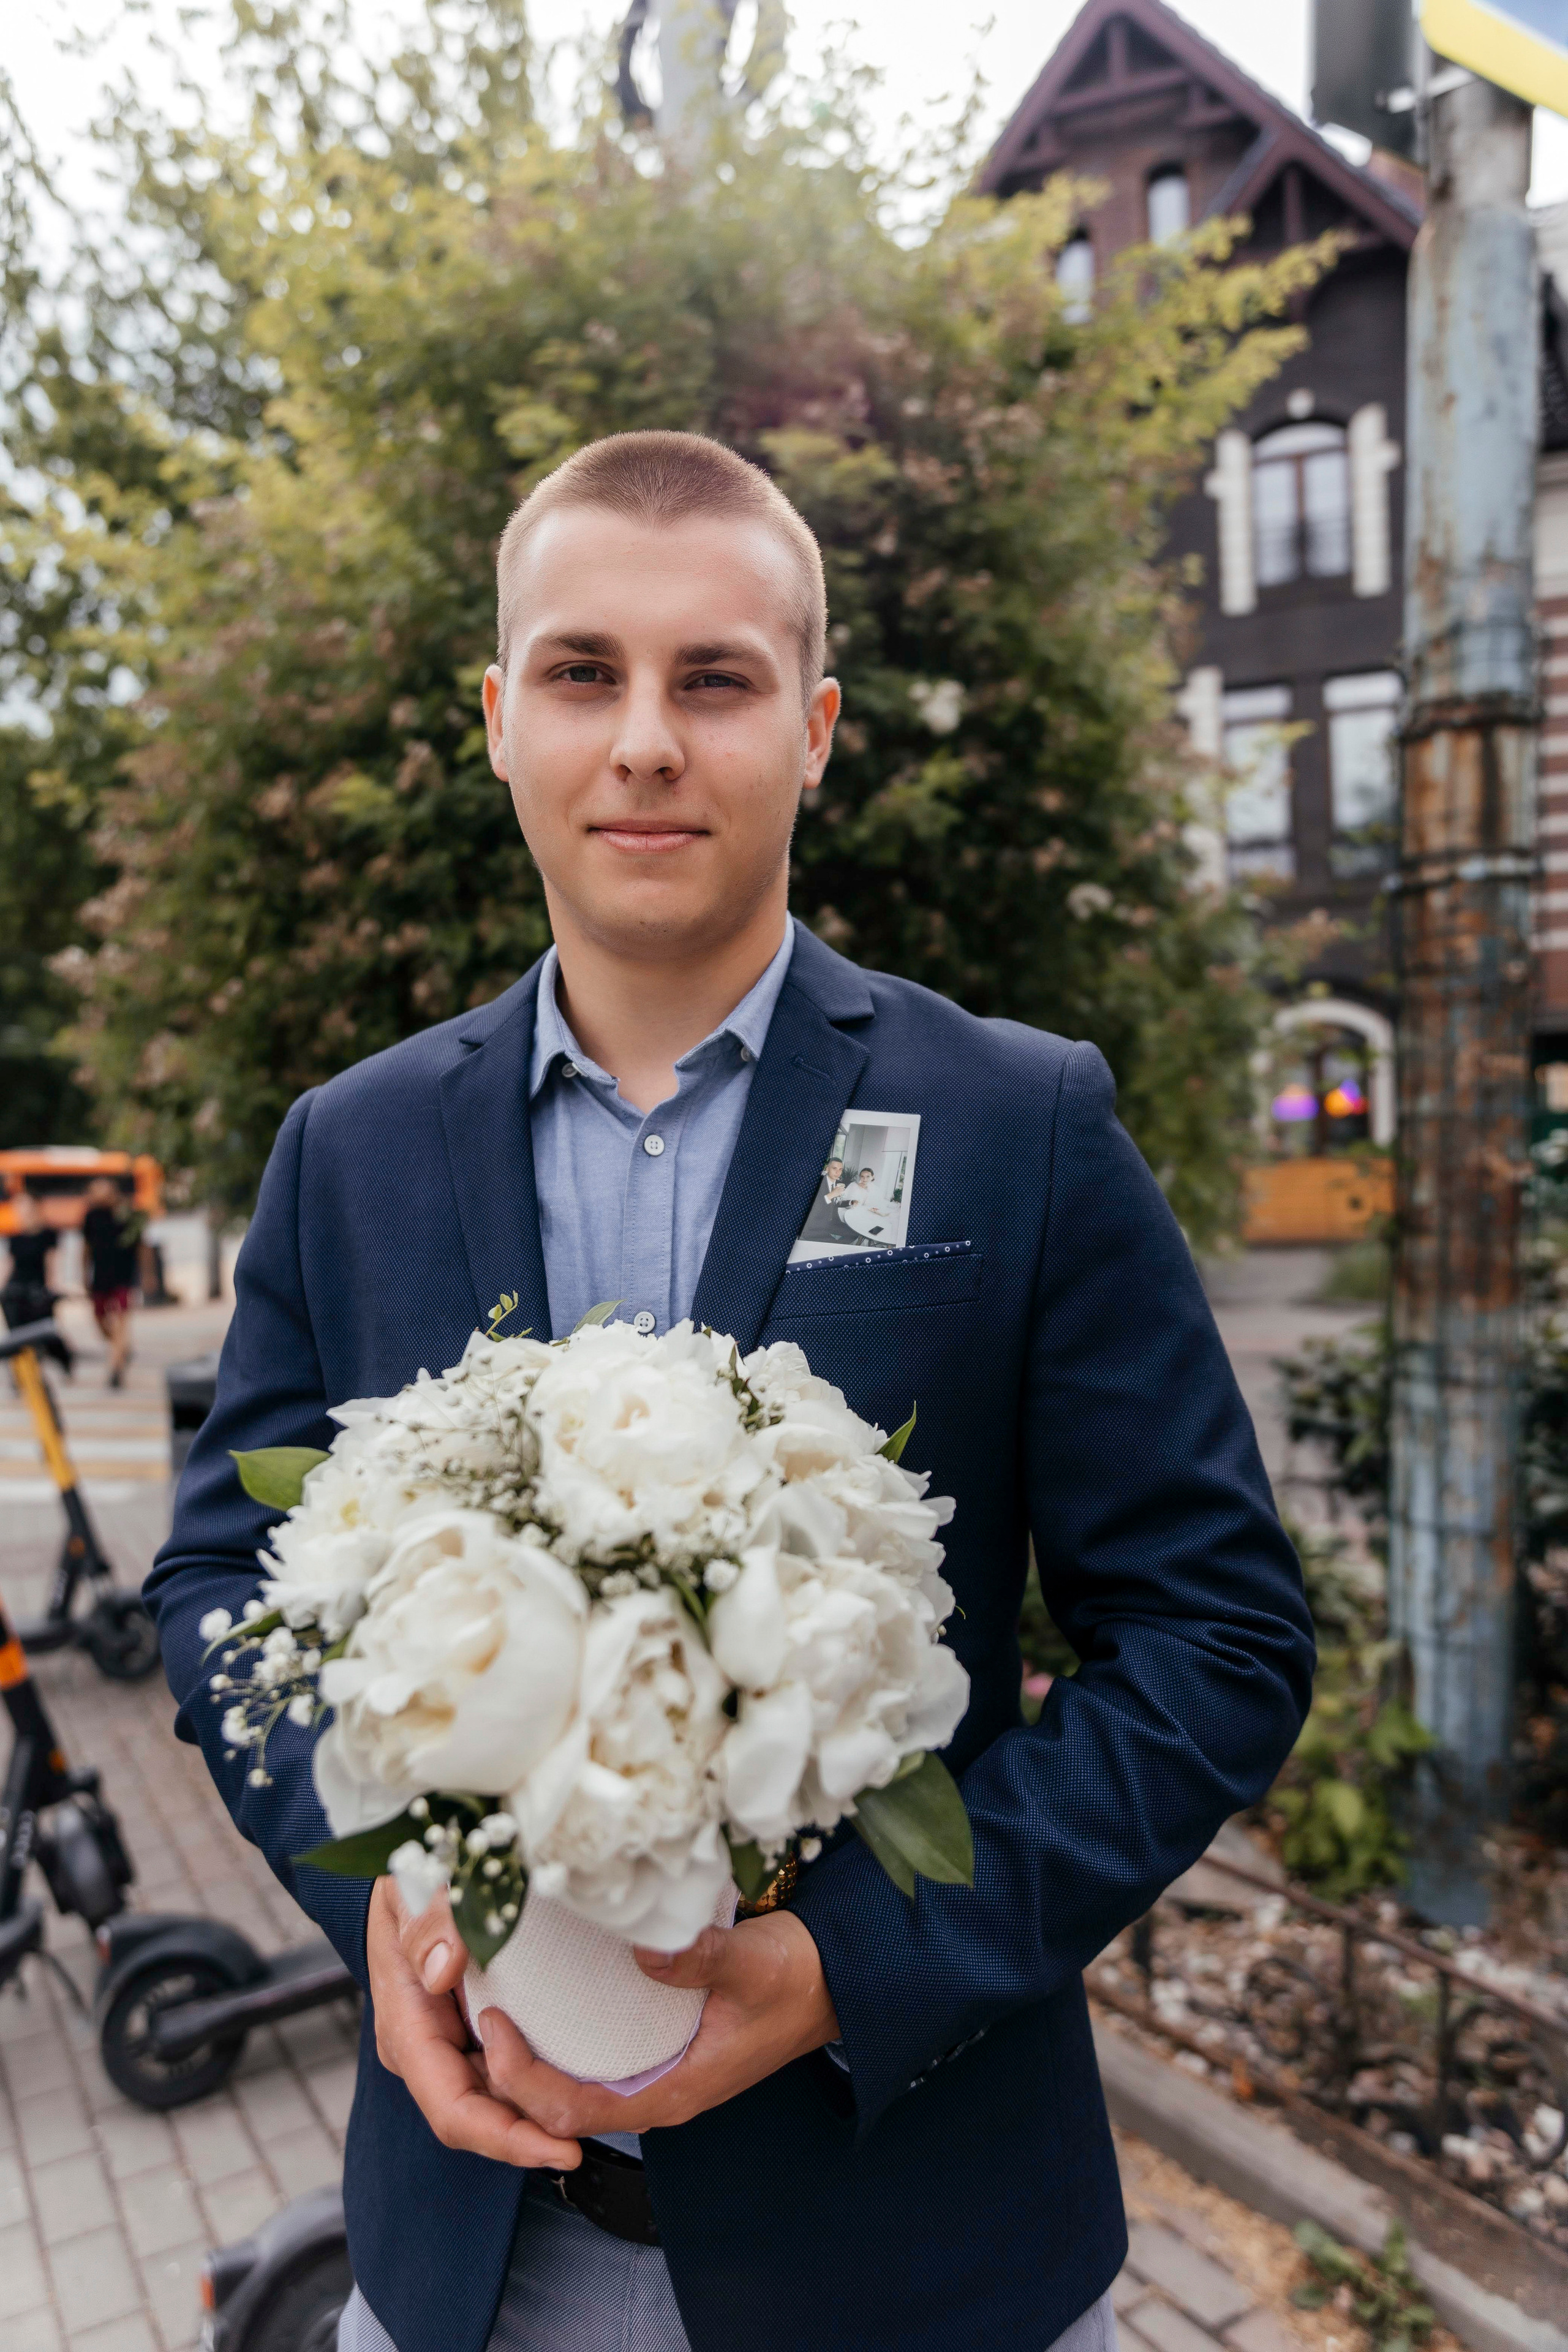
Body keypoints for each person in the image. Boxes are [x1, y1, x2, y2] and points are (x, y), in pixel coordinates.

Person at [146, 431, 1313, 2352]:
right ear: (499, 716)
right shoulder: (345, 1150)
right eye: (586, 672)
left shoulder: (1017, 1125)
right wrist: (368, 1885)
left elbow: (1214, 1637)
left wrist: (854, 1963)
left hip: (920, 2257)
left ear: (815, 722)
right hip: (464, 2264)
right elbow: (216, 1587)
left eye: (715, 678)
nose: (647, 741)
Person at [81, 1177, 138, 1387]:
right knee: (99, 1318)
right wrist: (84, 1274)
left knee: (122, 1320)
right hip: (101, 1277)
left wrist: (148, 1275)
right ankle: (121, 1347)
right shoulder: (91, 1217)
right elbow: (86, 1248)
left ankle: (115, 1368)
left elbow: (140, 1246)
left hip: (123, 1275)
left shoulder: (127, 1214)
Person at [2, 1193, 57, 1331]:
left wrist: (51, 1288)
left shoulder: (47, 1234)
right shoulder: (16, 1237)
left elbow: (51, 1262)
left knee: (42, 1329)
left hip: (36, 1287)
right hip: (16, 1287)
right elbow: (10, 1264)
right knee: (17, 1329)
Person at [797, 1154, 849, 1244]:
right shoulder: (816, 1182)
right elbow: (811, 1207)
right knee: (833, 1246)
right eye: (834, 1168)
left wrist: (850, 1202)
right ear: (827, 1169)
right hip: (814, 1226)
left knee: (853, 1233)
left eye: (840, 1169)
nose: (838, 1172)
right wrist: (831, 1195)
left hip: (831, 1222)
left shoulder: (839, 1183)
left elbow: (836, 1203)